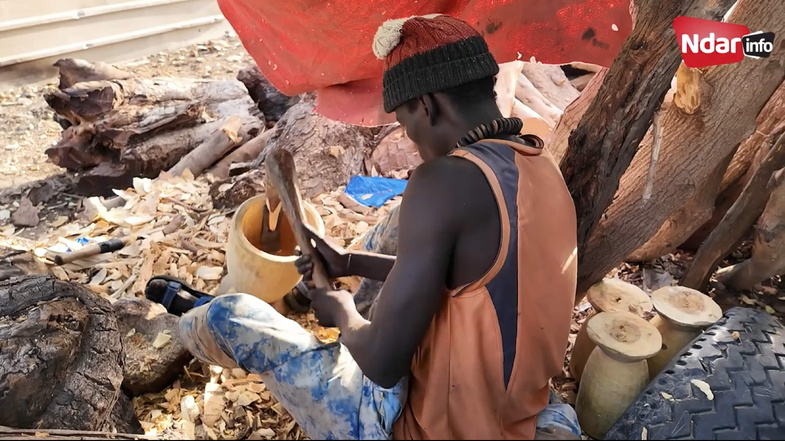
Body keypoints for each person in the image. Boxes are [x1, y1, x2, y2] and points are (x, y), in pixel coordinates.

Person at [175, 14, 580, 440]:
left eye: (407, 127)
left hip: (426, 427)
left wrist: (342, 314)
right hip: (519, 411)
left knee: (228, 316)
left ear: (427, 105)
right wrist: (350, 261)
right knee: (399, 227)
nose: (413, 144)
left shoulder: (442, 181)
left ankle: (178, 327)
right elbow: (472, 283)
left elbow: (383, 366)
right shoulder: (539, 162)